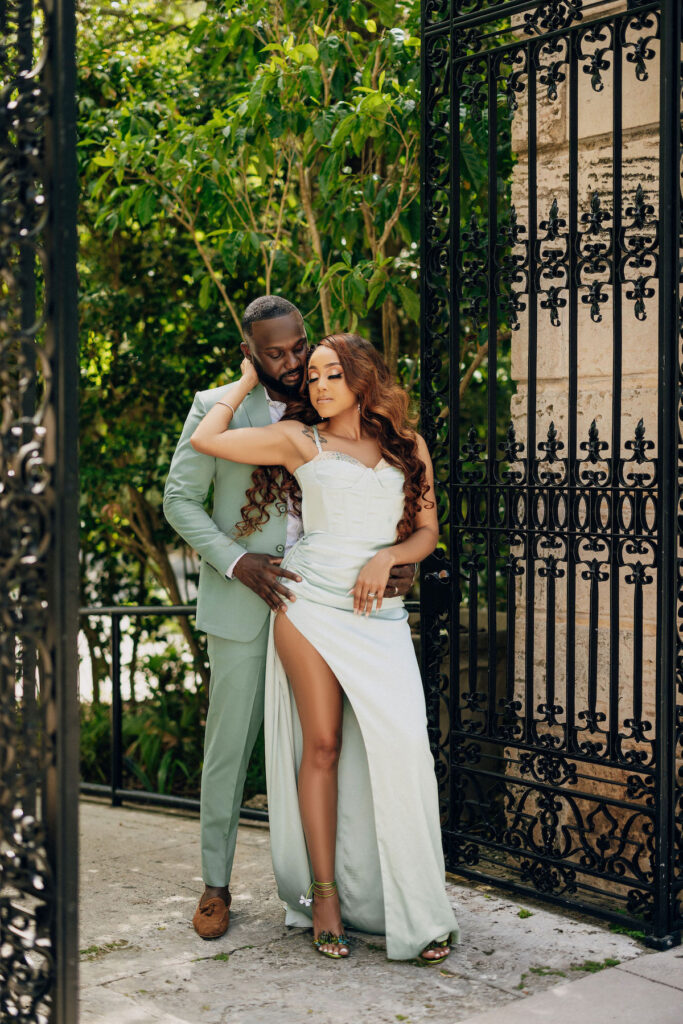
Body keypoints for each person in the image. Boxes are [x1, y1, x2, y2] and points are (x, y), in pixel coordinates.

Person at [190, 333, 459, 962]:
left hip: (378, 610)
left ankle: (416, 905)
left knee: (403, 746)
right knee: (324, 746)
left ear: (363, 378)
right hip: (309, 605)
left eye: (331, 374)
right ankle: (325, 896)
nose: (317, 385)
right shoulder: (297, 441)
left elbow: (426, 532)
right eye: (312, 377)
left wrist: (391, 556)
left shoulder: (406, 445)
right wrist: (247, 383)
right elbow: (207, 439)